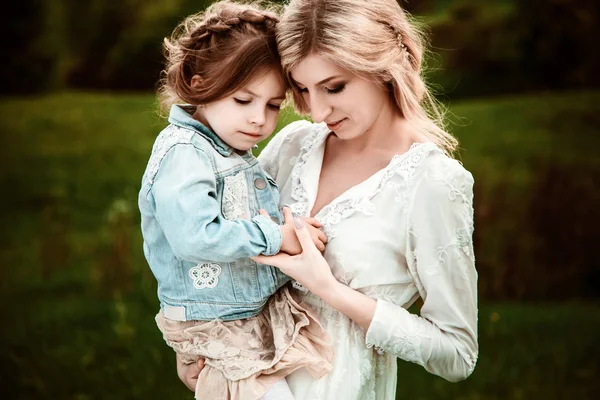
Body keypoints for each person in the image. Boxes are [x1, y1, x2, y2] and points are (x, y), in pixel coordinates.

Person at [179, 0, 478, 399]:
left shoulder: (435, 184)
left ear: (383, 66)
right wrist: (193, 349)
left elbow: (457, 354)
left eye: (333, 87)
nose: (317, 111)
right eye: (302, 89)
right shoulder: (292, 145)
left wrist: (330, 290)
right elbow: (220, 247)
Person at [138, 1, 334, 399]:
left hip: (241, 314)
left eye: (273, 105)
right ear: (198, 84)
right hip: (215, 324)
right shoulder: (185, 152)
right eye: (243, 101)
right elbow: (195, 236)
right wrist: (277, 237)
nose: (259, 119)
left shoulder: (227, 147)